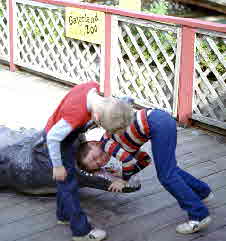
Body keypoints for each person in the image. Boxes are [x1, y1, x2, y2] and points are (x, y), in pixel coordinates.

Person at [96, 108, 213, 234]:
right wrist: (126, 173)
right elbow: (144, 160)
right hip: (160, 118)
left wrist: (123, 180)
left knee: (166, 176)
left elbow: (128, 161)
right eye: (96, 164)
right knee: (170, 170)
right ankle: (203, 192)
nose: (100, 160)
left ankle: (199, 215)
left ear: (92, 144)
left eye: (94, 157)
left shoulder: (105, 143)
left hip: (156, 123)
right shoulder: (121, 142)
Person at [43, 81, 133, 241]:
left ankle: (63, 215)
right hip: (57, 141)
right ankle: (81, 232)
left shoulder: (93, 88)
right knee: (68, 185)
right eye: (101, 126)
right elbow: (52, 138)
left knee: (65, 182)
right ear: (97, 117)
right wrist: (57, 166)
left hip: (67, 137)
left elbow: (114, 106)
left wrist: (125, 104)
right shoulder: (75, 114)